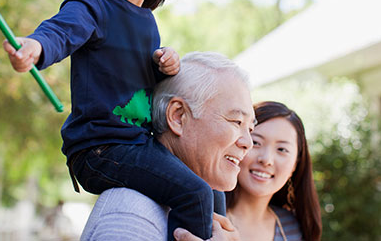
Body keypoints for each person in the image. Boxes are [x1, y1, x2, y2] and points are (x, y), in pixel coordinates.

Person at [2, 0, 217, 241]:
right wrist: (36, 46)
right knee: (195, 194)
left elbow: (142, 89)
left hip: (137, 143)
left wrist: (166, 67)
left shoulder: (147, 22)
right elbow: (63, 30)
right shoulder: (91, 4)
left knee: (212, 185)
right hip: (101, 149)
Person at [81, 51, 255, 241]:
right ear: (178, 116)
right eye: (236, 121)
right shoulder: (131, 216)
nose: (248, 143)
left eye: (251, 129)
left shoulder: (205, 208)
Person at [225, 101, 322, 241]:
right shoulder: (206, 218)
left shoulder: (293, 227)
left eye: (281, 150)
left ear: (295, 164)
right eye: (256, 143)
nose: (266, 160)